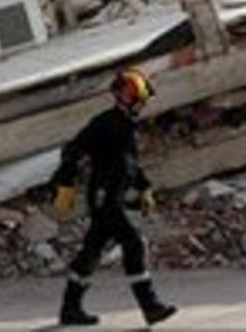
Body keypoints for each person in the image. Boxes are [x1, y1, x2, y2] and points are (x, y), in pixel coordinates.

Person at [49, 68, 177, 327]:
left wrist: (144, 187)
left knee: (91, 253)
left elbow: (128, 162)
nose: (143, 105)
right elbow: (72, 151)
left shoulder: (127, 125)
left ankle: (69, 309)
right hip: (104, 196)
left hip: (112, 196)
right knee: (133, 243)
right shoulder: (105, 123)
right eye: (140, 100)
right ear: (126, 98)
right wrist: (64, 184)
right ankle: (150, 305)